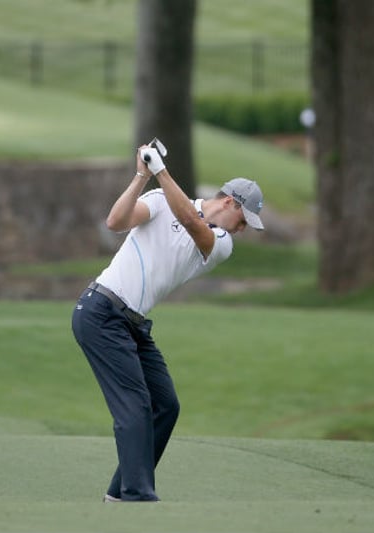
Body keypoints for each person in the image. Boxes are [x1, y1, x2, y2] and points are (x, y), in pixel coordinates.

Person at [71, 142, 265, 502]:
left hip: (132, 323)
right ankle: (136, 494)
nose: (241, 230)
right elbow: (115, 222)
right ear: (230, 202)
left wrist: (160, 170)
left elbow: (191, 221)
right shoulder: (159, 200)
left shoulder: (221, 243)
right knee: (134, 405)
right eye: (243, 221)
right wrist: (142, 176)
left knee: (165, 405)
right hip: (101, 311)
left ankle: (119, 493)